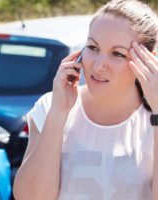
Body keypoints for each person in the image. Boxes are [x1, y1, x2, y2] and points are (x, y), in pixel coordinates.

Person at [13, 0, 158, 199]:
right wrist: (58, 112)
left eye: (117, 53)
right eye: (93, 47)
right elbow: (29, 197)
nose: (98, 66)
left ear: (149, 60)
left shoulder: (153, 119)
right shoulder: (50, 106)